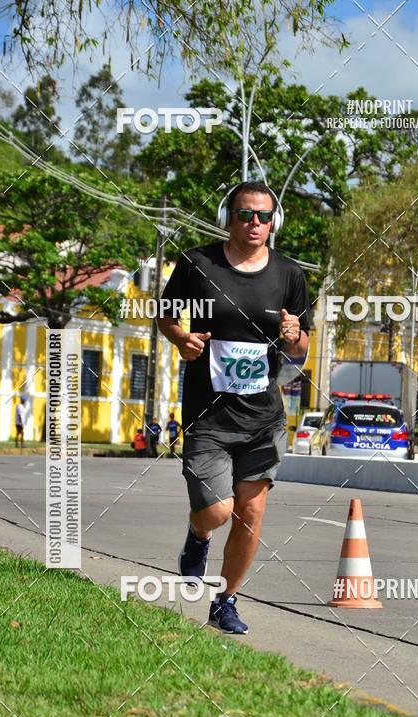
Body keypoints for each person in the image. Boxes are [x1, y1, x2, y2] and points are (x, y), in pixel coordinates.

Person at [158, 180, 311, 635]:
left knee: (252, 512)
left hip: (263, 416)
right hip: (208, 414)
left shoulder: (289, 274)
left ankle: (225, 601)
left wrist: (293, 337)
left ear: (274, 222)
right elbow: (166, 315)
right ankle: (198, 535)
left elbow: (302, 344)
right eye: (245, 214)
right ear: (229, 217)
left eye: (263, 216)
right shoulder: (197, 264)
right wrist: (181, 338)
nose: (254, 223)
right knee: (217, 512)